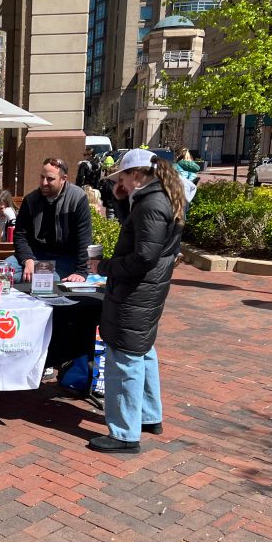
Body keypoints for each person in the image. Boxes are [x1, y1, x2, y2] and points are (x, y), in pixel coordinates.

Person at [86, 149, 185, 454]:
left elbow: (143, 254)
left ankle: (125, 433)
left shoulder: (152, 203)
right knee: (142, 351)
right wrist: (119, 199)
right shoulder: (160, 198)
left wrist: (104, 268)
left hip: (136, 292)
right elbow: (144, 236)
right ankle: (148, 416)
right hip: (147, 290)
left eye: (124, 177)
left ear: (137, 174)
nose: (122, 184)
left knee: (125, 358)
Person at [12, 157, 93, 281]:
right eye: (42, 177)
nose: (44, 182)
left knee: (40, 279)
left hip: (65, 258)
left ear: (63, 179)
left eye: (50, 179)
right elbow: (20, 235)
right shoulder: (30, 200)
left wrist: (82, 272)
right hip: (35, 254)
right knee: (4, 272)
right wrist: (28, 259)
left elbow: (84, 238)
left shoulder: (77, 198)